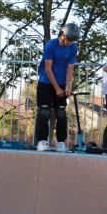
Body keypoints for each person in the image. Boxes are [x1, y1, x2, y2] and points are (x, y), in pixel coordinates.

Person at [35, 23, 79, 152]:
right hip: (46, 81)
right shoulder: (51, 45)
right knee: (45, 112)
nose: (71, 43)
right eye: (70, 39)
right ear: (63, 35)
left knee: (61, 113)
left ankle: (61, 142)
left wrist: (66, 87)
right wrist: (57, 89)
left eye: (73, 40)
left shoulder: (73, 48)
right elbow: (48, 69)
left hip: (61, 82)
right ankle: (42, 141)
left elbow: (70, 69)